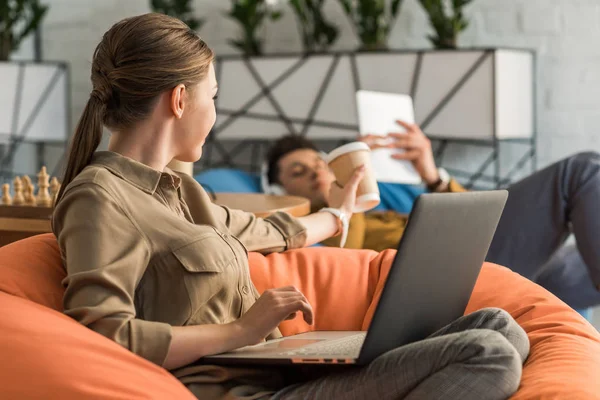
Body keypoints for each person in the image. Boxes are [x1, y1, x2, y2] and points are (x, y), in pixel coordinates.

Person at [52, 13, 529, 400]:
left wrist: (338, 214)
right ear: (179, 100)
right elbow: (105, 337)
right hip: (243, 393)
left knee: (501, 326)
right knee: (490, 353)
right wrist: (240, 330)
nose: (213, 114)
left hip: (280, 370)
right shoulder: (100, 198)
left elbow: (255, 230)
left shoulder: (180, 190)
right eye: (212, 97)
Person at [263, 128, 600, 312]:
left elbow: (473, 213)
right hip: (450, 276)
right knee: (580, 172)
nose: (314, 172)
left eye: (319, 163)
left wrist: (432, 176)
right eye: (298, 171)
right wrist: (350, 192)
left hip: (477, 251)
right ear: (280, 188)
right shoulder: (311, 225)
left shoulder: (380, 208)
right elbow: (346, 263)